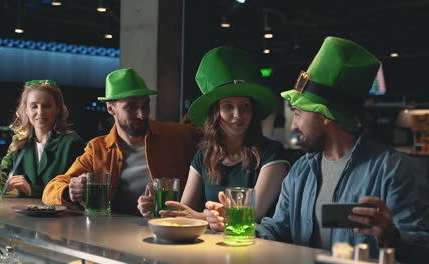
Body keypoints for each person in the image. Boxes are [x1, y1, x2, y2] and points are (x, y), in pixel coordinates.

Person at [207, 37, 429, 261]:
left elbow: (422, 248)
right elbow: (278, 230)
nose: (293, 125)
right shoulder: (301, 169)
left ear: (325, 115)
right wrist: (237, 224)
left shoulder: (393, 170)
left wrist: (392, 237)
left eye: (298, 113)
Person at [137, 47, 289, 221]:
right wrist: (156, 210)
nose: (238, 114)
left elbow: (251, 216)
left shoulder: (273, 154)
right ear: (215, 113)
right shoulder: (204, 155)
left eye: (245, 105)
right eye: (228, 106)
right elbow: (184, 213)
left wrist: (200, 217)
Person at [42, 68, 199, 216]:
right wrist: (69, 191)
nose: (142, 115)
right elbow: (50, 189)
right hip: (112, 234)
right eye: (131, 107)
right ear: (111, 109)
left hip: (166, 231)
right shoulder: (98, 149)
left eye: (145, 105)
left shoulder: (178, 136)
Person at [1, 80, 85, 198]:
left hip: (62, 215)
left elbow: (77, 191)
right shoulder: (19, 142)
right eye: (34, 106)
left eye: (47, 106)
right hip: (22, 214)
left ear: (58, 109)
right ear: (26, 110)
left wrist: (32, 190)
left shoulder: (72, 143)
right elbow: (5, 175)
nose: (40, 112)